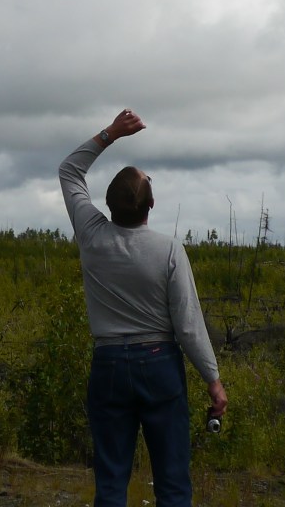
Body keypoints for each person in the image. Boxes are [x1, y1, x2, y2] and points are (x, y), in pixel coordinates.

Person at [58, 109, 228, 507]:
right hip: (160, 366)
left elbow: (69, 171)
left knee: (112, 481)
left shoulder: (92, 235)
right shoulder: (169, 251)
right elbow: (188, 327)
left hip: (109, 364)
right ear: (151, 206)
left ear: (109, 205)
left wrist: (110, 134)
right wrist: (213, 379)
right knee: (171, 483)